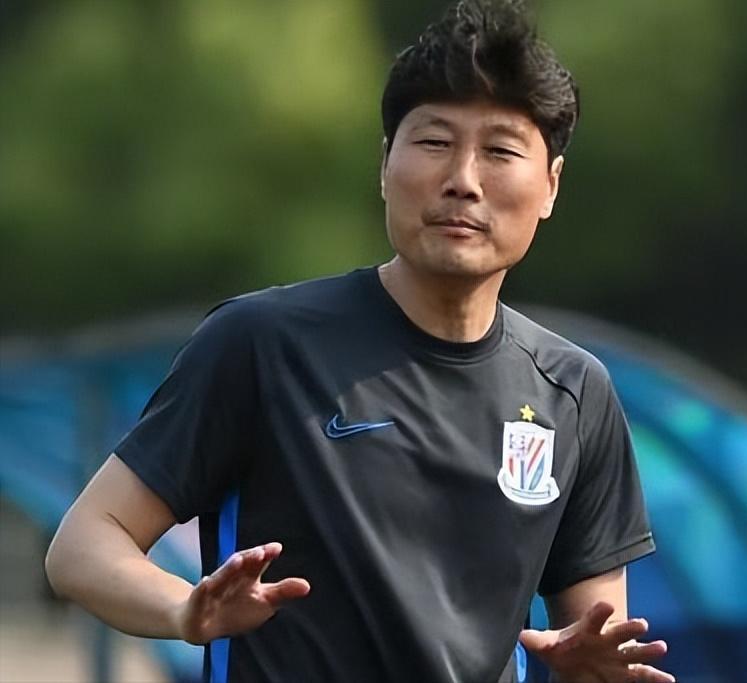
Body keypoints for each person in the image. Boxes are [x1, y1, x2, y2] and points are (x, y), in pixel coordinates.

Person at [45, 1, 673, 681]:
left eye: (499, 151)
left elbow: (601, 645)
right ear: (384, 164)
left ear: (549, 186)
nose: (463, 180)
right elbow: (83, 544)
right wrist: (184, 610)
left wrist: (592, 673)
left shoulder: (573, 393)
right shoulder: (262, 345)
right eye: (434, 142)